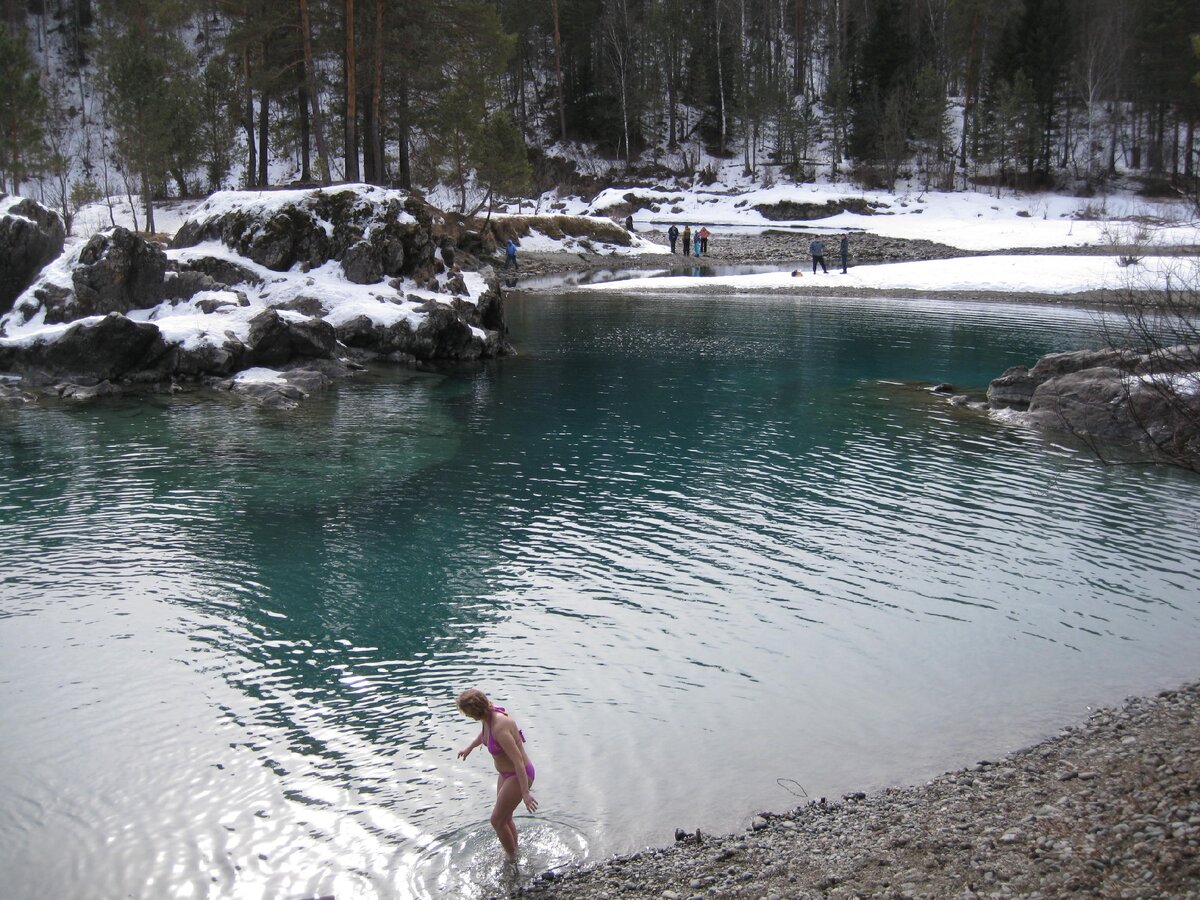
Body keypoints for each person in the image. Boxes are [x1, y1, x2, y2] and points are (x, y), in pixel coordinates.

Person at [457, 689, 538, 858]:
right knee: (505, 818)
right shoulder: (488, 717)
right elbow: (484, 735)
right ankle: (515, 852)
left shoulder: (500, 727)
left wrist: (525, 793)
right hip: (506, 775)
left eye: (468, 714)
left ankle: (511, 860)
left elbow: (518, 762)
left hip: (519, 774)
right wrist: (469, 748)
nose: (469, 718)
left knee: (496, 821)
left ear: (476, 712)